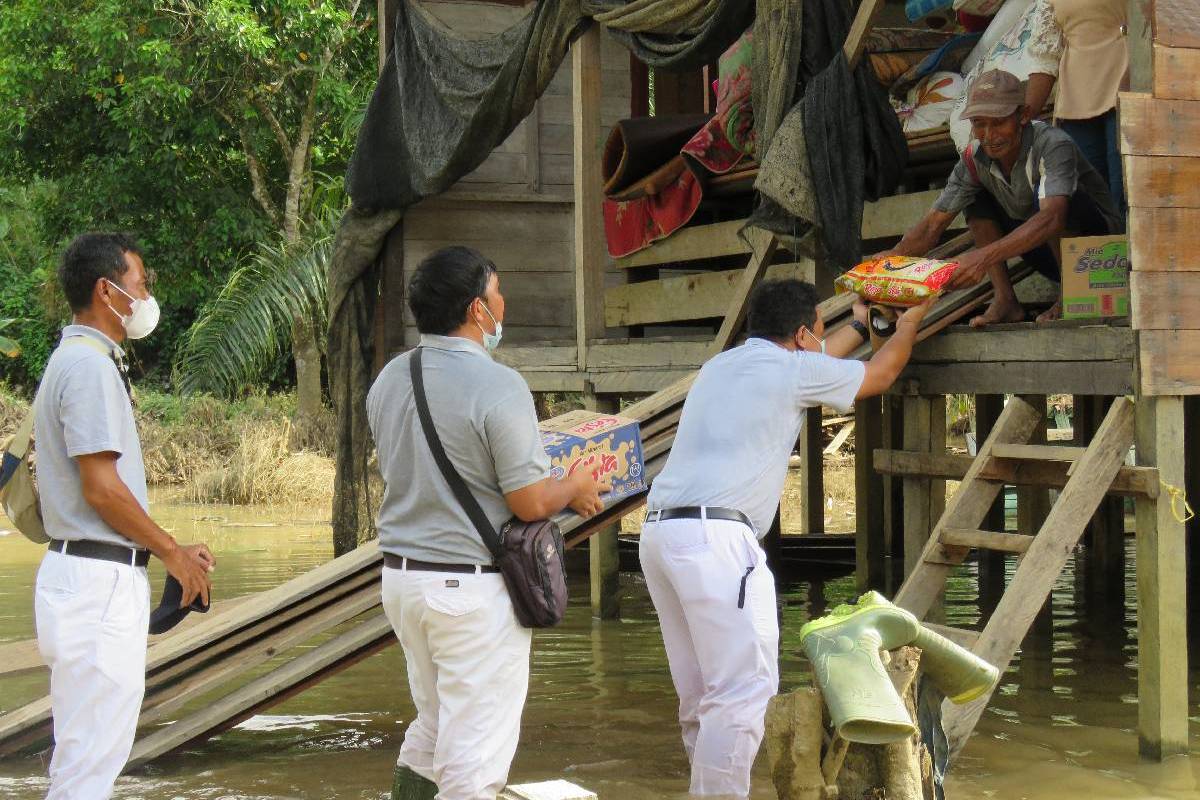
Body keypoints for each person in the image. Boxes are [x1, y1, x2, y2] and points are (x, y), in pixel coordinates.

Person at [639, 278, 933, 799]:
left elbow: (822, 362)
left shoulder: (724, 365)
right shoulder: (791, 370)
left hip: (662, 532)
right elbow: (880, 374)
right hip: (717, 541)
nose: (822, 343)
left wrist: (861, 324)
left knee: (702, 694)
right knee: (743, 692)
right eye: (817, 334)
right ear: (800, 335)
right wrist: (908, 324)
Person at [367, 246, 609, 800]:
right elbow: (527, 501)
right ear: (479, 310)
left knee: (432, 727)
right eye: (497, 292)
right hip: (468, 592)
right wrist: (574, 484)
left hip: (402, 582)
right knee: (474, 759)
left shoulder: (389, 379)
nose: (505, 302)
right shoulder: (499, 386)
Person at [33, 232, 214, 799]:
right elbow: (102, 491)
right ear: (106, 292)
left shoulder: (78, 360)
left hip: (87, 576)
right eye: (139, 284)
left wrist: (163, 546)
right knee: (93, 761)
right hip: (97, 584)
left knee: (83, 754)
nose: (146, 295)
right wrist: (173, 553)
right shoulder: (87, 368)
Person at [890, 69, 1122, 326]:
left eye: (998, 122)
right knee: (975, 197)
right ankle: (1005, 300)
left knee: (1048, 201)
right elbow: (933, 225)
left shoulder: (1053, 144)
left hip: (1100, 256)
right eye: (979, 123)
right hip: (1043, 253)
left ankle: (1072, 293)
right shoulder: (974, 158)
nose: (989, 135)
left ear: (1022, 116)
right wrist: (891, 259)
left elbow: (1052, 219)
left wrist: (981, 258)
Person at [1050, 0, 1128, 211]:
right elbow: (1045, 52)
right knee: (1093, 195)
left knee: (1125, 189)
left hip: (1125, 79)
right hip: (1077, 94)